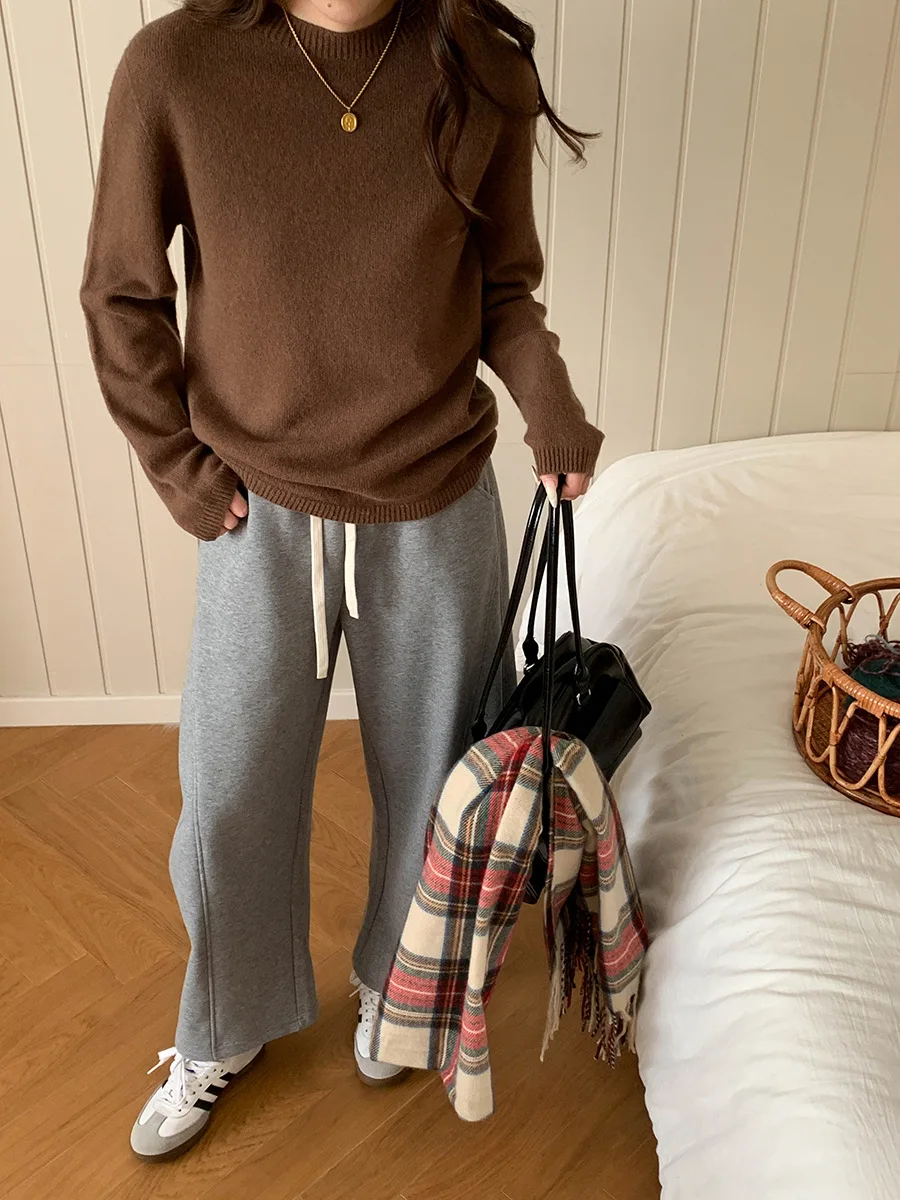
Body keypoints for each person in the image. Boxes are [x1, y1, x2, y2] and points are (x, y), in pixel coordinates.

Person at [80, 0, 603, 1162]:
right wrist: (177, 467)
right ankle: (225, 1022)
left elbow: (503, 290)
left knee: (435, 779)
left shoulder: (479, 63)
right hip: (256, 507)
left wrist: (551, 403)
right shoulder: (176, 66)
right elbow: (123, 292)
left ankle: (399, 985)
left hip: (436, 498)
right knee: (229, 788)